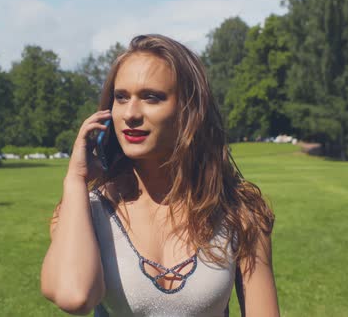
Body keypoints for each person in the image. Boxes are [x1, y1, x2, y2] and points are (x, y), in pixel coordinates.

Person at [41, 34, 279, 316]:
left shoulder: (240, 214)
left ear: (189, 111)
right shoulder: (83, 212)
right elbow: (75, 297)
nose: (130, 113)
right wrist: (75, 179)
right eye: (121, 97)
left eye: (151, 97)